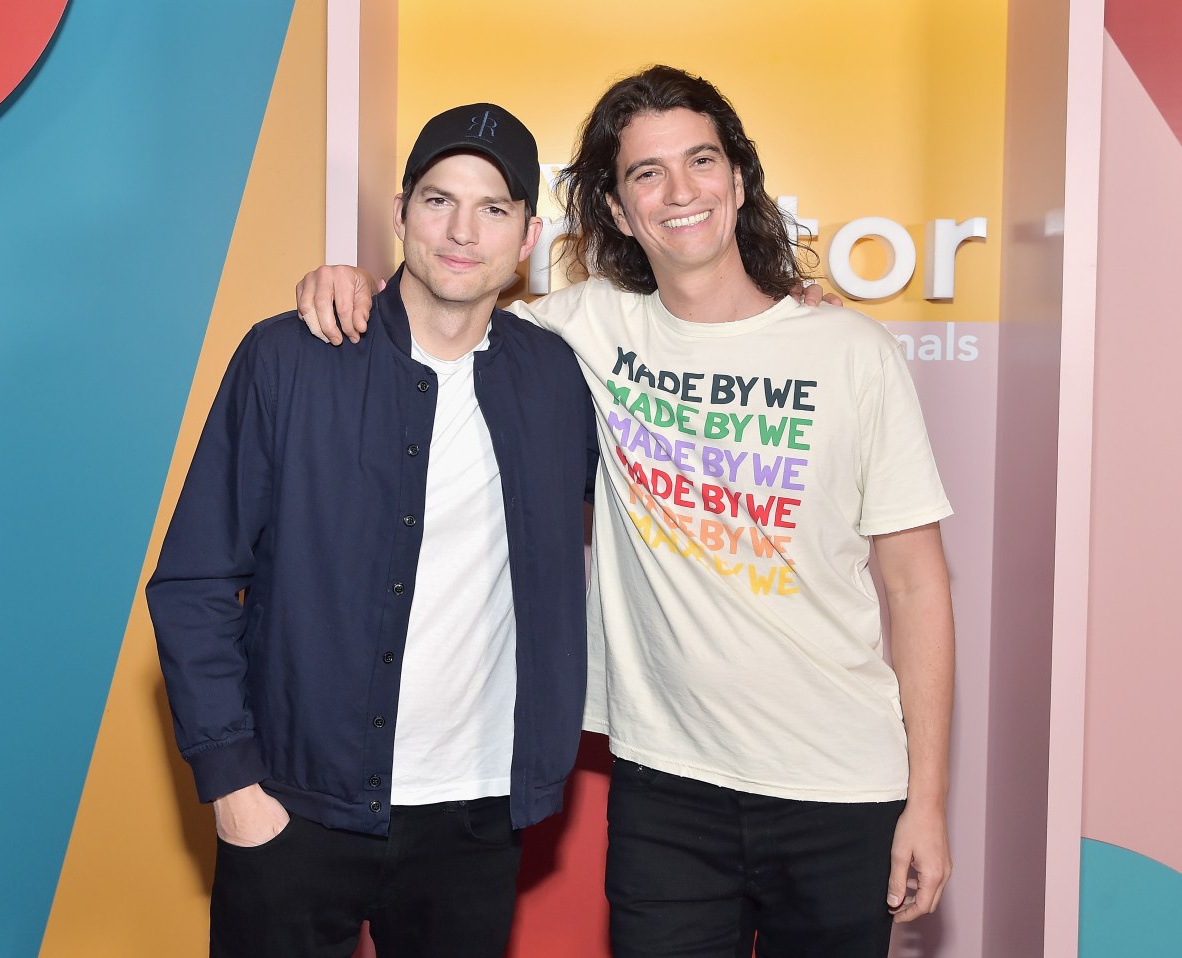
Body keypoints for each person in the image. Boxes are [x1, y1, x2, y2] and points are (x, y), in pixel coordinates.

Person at [295, 66, 955, 958]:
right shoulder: (584, 330)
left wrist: (928, 800)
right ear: (613, 208)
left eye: (701, 161)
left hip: (841, 787)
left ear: (739, 180)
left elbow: (916, 590)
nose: (681, 192)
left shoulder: (851, 352)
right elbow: (453, 285)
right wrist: (350, 282)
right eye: (648, 173)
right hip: (667, 792)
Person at [147, 103, 598, 958]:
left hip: (474, 817)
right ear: (399, 214)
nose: (463, 231)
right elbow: (195, 583)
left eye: (494, 209)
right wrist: (233, 785)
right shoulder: (290, 359)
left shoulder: (555, 380)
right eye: (438, 201)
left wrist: (785, 311)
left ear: (529, 234)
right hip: (292, 805)